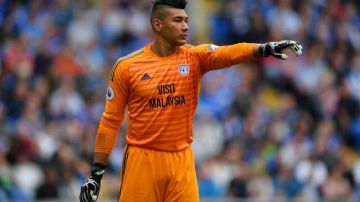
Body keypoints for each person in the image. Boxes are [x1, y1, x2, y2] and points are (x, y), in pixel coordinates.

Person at [79, 0, 303, 201]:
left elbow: (230, 53)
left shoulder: (194, 57)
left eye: (186, 20)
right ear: (157, 25)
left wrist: (263, 49)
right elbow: (110, 121)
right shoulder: (127, 67)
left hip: (181, 159)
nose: (186, 26)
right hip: (142, 159)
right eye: (177, 20)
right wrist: (96, 174)